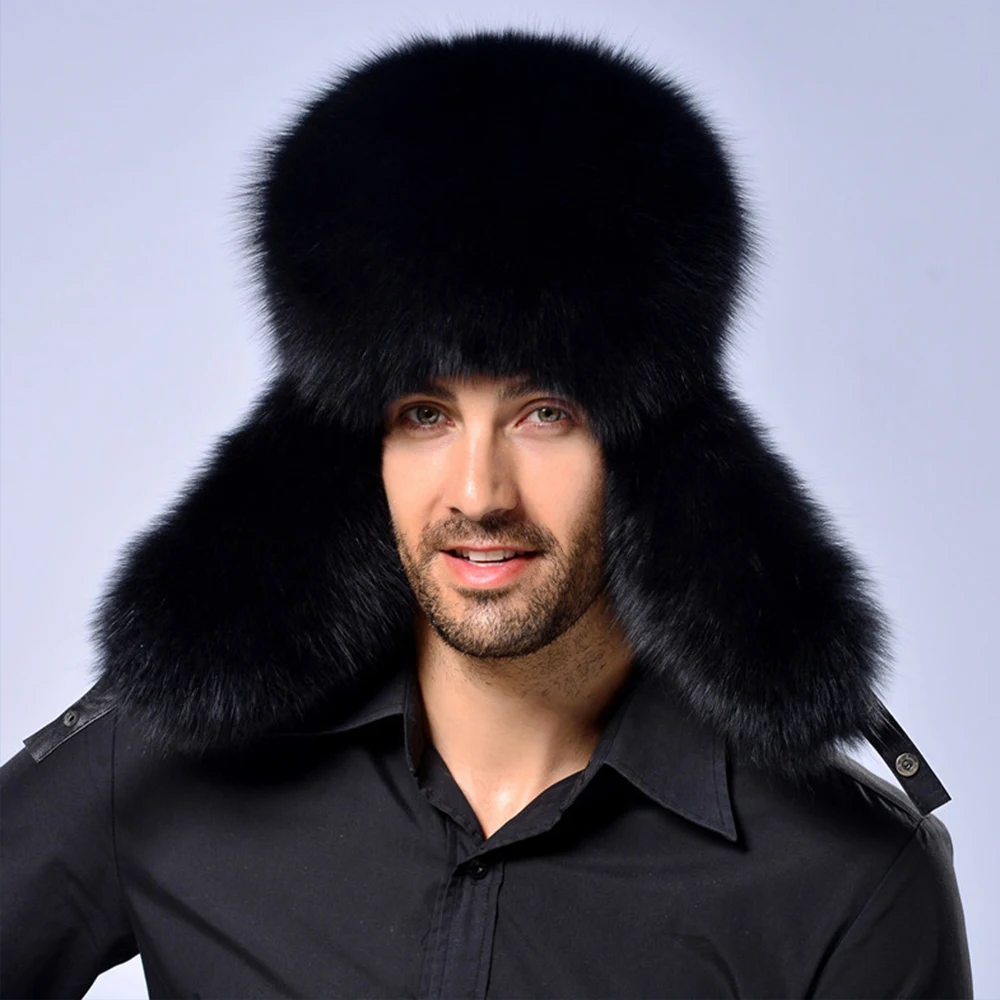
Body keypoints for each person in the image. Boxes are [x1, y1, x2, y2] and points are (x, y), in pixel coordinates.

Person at [0, 29, 972, 999]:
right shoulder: (164, 760)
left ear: (651, 446)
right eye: (425, 414)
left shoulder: (850, 883)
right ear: (356, 447)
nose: (477, 492)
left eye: (545, 413)